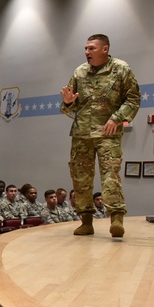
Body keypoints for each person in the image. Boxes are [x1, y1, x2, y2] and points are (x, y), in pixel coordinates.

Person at [61, 34, 140, 238]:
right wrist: (69, 102)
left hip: (108, 132)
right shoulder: (79, 72)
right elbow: (67, 106)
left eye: (91, 48)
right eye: (85, 49)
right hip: (82, 134)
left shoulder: (121, 69)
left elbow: (133, 98)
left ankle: (116, 219)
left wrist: (117, 118)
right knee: (80, 178)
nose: (87, 52)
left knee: (110, 176)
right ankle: (86, 221)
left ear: (105, 49)